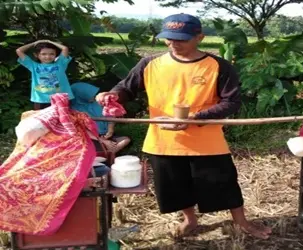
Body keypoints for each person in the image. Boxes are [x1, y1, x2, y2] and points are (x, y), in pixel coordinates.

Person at [94, 14, 272, 239]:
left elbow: (232, 102)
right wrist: (113, 95)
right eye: (168, 38)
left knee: (224, 183)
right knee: (174, 188)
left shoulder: (218, 66)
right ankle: (190, 219)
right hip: (163, 141)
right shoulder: (150, 64)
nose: (173, 43)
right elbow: (127, 88)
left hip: (207, 141)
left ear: (200, 37)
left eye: (181, 39)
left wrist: (194, 119)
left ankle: (242, 222)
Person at [70, 82, 131, 154]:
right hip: (91, 138)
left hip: (106, 134)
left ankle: (109, 152)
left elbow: (110, 115)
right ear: (81, 96)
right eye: (90, 94)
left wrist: (110, 130)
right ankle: (106, 153)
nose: (94, 96)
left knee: (125, 140)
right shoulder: (74, 110)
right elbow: (81, 129)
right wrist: (101, 140)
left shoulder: (97, 103)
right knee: (93, 147)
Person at [16, 39, 74, 110]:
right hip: (41, 99)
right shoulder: (33, 66)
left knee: (62, 118)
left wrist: (49, 42)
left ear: (56, 55)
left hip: (61, 98)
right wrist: (34, 43)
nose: (48, 56)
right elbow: (19, 51)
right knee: (41, 119)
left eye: (52, 54)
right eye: (43, 54)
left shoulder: (61, 64)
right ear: (36, 55)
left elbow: (65, 48)